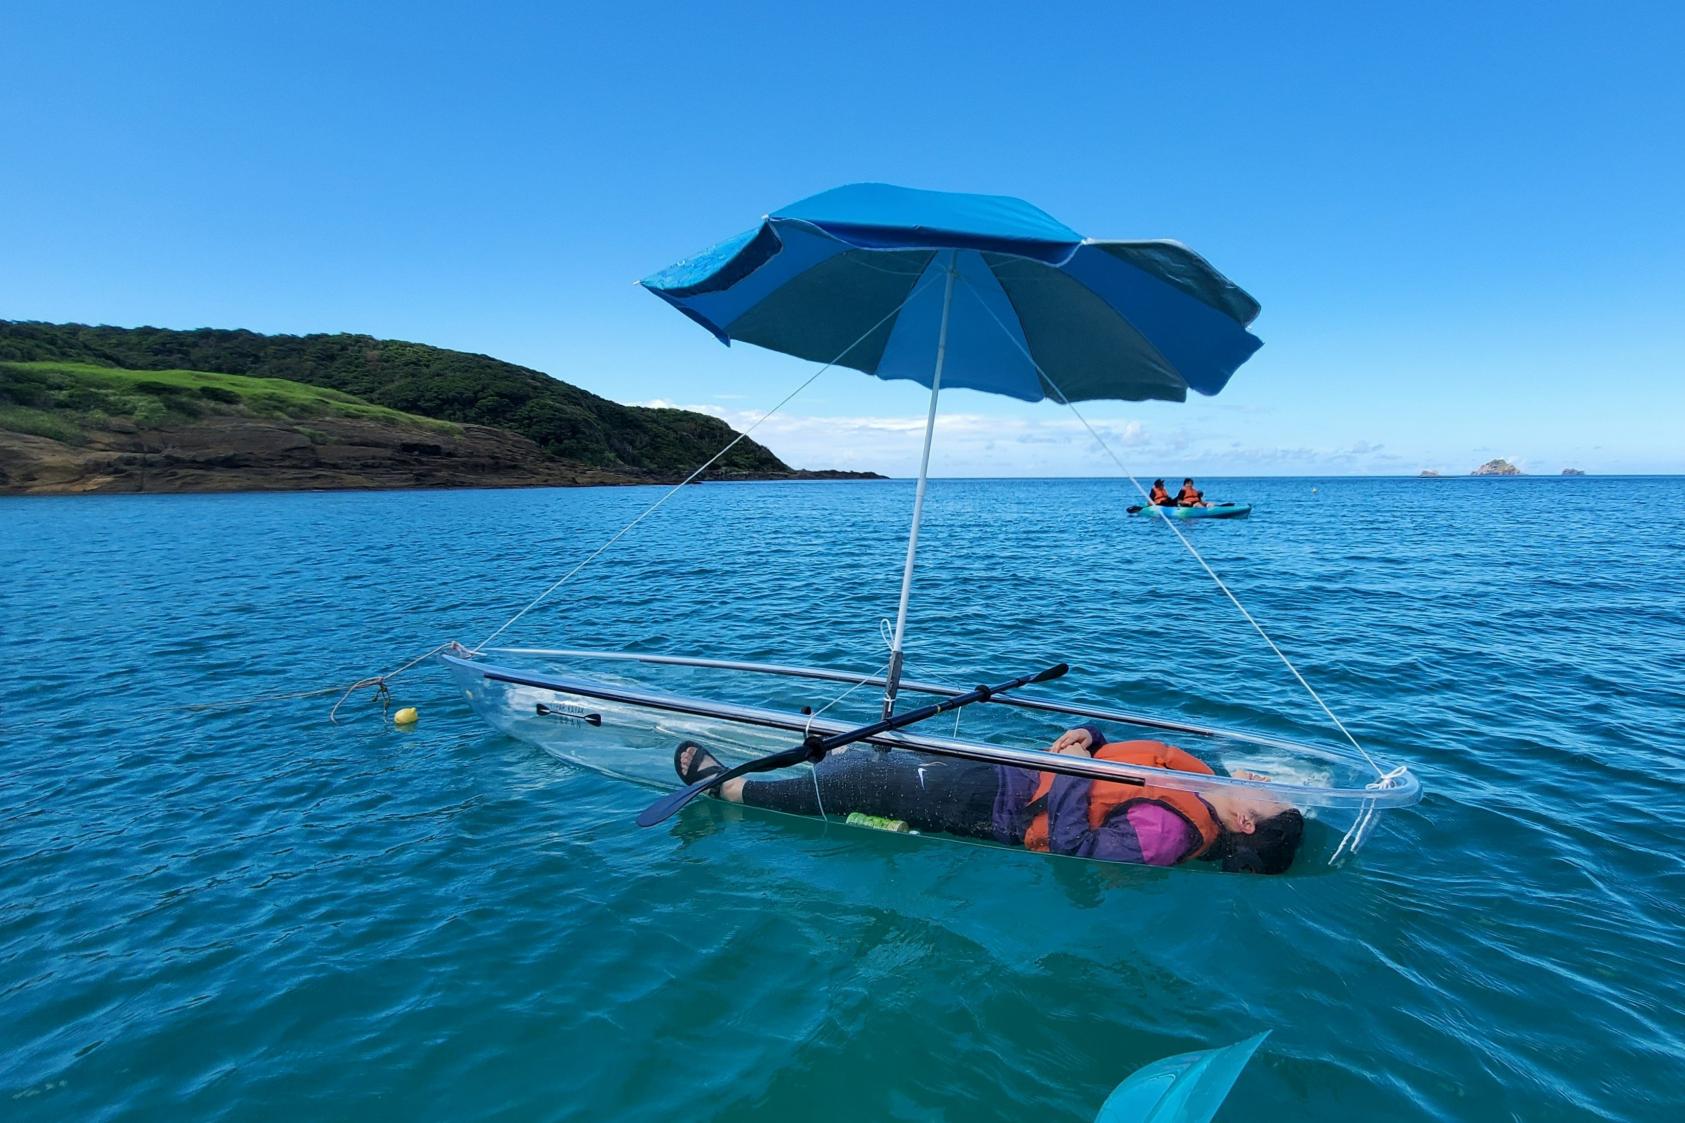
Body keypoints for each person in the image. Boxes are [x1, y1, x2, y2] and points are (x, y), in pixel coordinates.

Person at [673, 726, 1305, 874]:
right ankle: (845, 760)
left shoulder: (1172, 835)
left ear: (1245, 821)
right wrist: (1093, 738)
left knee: (866, 787)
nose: (1266, 783)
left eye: (1271, 798)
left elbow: (1074, 848)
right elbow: (1129, 769)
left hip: (1001, 809)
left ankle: (731, 786)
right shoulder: (1198, 784)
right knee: (892, 761)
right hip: (1012, 777)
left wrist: (1072, 766)